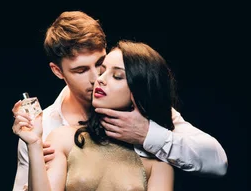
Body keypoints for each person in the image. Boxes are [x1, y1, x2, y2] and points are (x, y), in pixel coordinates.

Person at [11, 11, 228, 191]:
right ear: (57, 71)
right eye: (80, 70)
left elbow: (217, 162)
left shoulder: (147, 112)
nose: (96, 78)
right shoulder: (46, 127)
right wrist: (34, 149)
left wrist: (147, 134)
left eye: (101, 65)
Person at [13, 40, 178, 190]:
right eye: (103, 71)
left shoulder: (159, 162)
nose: (97, 79)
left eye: (117, 76)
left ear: (141, 90)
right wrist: (34, 143)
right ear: (58, 71)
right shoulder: (63, 138)